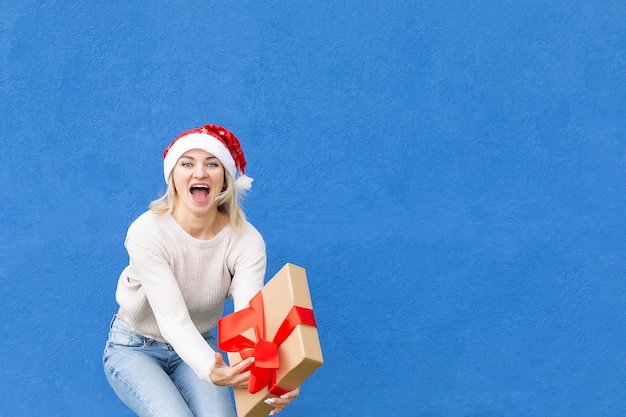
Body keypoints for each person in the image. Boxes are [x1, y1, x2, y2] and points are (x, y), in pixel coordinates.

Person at [102, 124, 299, 417]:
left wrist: (275, 379)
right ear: (173, 177)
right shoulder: (146, 233)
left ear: (224, 179)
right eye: (187, 164)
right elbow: (173, 320)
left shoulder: (246, 240)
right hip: (134, 347)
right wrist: (210, 368)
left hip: (199, 341)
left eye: (212, 164)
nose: (200, 173)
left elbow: (247, 320)